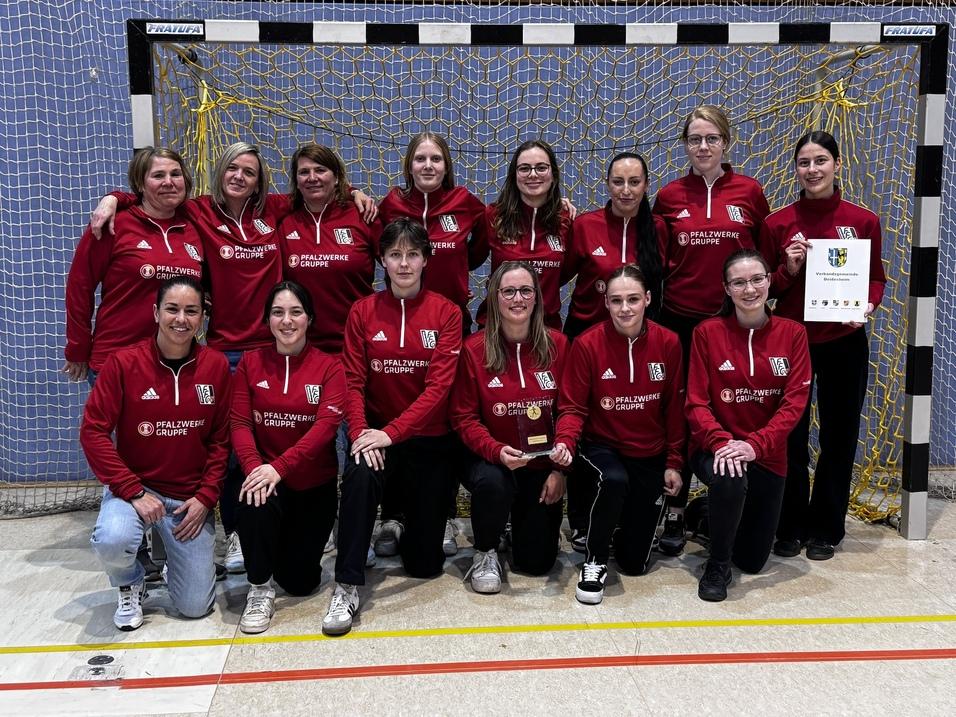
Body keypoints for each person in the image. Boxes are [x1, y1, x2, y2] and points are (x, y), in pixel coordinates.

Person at [89, 142, 374, 574]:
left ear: (260, 181)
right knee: (235, 450)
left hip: (273, 346)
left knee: (326, 442)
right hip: (225, 350)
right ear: (221, 172)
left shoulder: (274, 212)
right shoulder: (199, 212)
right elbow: (155, 195)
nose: (241, 177)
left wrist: (353, 192)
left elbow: (317, 188)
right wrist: (117, 196)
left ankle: (329, 525)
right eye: (234, 169)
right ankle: (238, 532)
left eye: (251, 172)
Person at [324, 218, 462, 636]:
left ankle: (399, 521)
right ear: (382, 260)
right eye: (396, 255)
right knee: (361, 474)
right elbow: (353, 381)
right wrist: (366, 433)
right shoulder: (362, 311)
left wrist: (392, 432)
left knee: (425, 567)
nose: (404, 263)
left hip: (428, 440)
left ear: (426, 259)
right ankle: (346, 584)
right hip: (376, 435)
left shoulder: (447, 312)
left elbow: (439, 388)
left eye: (413, 255)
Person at [759, 131, 886, 561]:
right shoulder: (777, 223)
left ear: (836, 164)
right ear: (795, 169)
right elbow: (767, 287)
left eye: (820, 161)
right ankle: (789, 524)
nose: (812, 170)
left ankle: (826, 528)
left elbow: (875, 277)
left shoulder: (862, 220)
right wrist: (790, 267)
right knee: (790, 435)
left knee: (839, 434)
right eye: (803, 162)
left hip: (845, 341)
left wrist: (866, 304)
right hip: (792, 343)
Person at [652, 105, 771, 556]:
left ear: (726, 142)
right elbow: (656, 258)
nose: (703, 147)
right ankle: (675, 506)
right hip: (679, 319)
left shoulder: (749, 191)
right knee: (680, 409)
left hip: (730, 323)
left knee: (726, 406)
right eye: (695, 139)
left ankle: (733, 496)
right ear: (685, 145)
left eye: (711, 138)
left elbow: (762, 260)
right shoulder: (668, 195)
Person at [82, 276, 231, 630]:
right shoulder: (122, 364)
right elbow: (93, 432)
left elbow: (221, 442)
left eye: (191, 311)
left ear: (202, 318)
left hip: (187, 501)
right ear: (155, 312)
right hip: (136, 492)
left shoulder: (216, 367)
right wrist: (132, 490)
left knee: (195, 608)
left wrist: (206, 497)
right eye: (172, 309)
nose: (181, 319)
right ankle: (130, 580)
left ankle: (172, 563)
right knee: (113, 539)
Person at [375, 132, 487, 558]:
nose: (427, 166)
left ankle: (438, 515)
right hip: (399, 320)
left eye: (436, 159)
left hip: (448, 322)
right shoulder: (390, 205)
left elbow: (480, 248)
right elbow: (379, 245)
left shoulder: (465, 203)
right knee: (394, 408)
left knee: (446, 416)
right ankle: (393, 514)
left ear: (446, 165)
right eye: (420, 158)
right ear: (409, 165)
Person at [553, 265, 685, 605]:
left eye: (632, 299)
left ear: (648, 299)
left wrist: (673, 462)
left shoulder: (669, 343)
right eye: (616, 301)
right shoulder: (586, 344)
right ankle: (594, 559)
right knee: (612, 480)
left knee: (634, 564)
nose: (625, 308)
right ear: (606, 303)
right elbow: (573, 408)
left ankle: (632, 528)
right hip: (603, 447)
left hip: (649, 452)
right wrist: (566, 443)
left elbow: (673, 409)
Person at [685, 249, 811, 602]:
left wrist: (755, 445)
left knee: (754, 561)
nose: (749, 289)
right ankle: (718, 565)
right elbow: (696, 402)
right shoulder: (706, 333)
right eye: (738, 282)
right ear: (727, 289)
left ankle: (707, 515)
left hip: (767, 455)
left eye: (757, 279)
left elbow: (794, 403)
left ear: (770, 281)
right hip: (715, 450)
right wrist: (722, 442)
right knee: (729, 476)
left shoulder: (793, 334)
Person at [561, 152, 667, 552]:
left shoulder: (658, 228)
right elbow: (560, 273)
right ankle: (580, 520)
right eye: (618, 182)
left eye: (634, 182)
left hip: (638, 341)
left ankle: (635, 514)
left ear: (645, 185)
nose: (626, 190)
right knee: (583, 425)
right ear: (607, 184)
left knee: (635, 419)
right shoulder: (585, 225)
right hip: (585, 338)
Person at [230, 281, 346, 633]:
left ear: (309, 318)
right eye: (278, 313)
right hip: (267, 483)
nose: (287, 321)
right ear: (267, 320)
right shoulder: (250, 364)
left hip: (313, 486)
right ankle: (259, 587)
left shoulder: (330, 367)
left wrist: (278, 468)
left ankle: (290, 549)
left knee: (300, 582)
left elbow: (325, 428)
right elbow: (238, 423)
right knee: (253, 495)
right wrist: (256, 469)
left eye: (296, 312)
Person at [450, 261, 569, 593]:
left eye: (526, 290)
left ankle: (527, 524)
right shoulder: (473, 350)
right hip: (490, 460)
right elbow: (463, 418)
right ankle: (486, 550)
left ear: (537, 298)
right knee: (494, 483)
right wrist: (496, 451)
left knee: (537, 564)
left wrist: (559, 470)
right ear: (494, 298)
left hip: (540, 464)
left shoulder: (559, 345)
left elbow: (571, 411)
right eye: (509, 291)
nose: (518, 299)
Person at [64, 147, 202, 384]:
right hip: (116, 361)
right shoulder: (112, 225)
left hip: (175, 364)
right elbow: (79, 287)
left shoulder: (194, 226)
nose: (169, 182)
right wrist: (78, 347)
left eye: (175, 174)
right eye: (158, 176)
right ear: (140, 183)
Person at [278, 144, 381, 355]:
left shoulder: (363, 215)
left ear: (336, 178)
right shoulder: (284, 224)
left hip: (359, 347)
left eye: (320, 170)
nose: (312, 177)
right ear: (296, 182)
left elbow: (399, 267)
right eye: (304, 172)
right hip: (302, 350)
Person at [474, 140, 575, 330]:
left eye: (541, 168)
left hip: (546, 330)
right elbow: (470, 259)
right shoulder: (493, 216)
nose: (533, 174)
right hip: (496, 329)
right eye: (524, 169)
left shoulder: (566, 219)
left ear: (553, 175)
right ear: (514, 176)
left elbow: (565, 272)